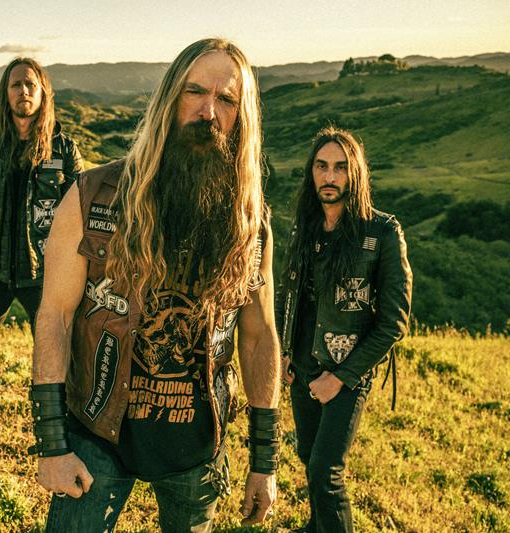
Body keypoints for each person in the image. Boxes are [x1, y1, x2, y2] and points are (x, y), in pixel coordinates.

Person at [29, 38, 281, 532]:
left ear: (243, 116)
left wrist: (265, 460)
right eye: (195, 92)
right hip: (97, 432)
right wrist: (52, 444)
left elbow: (259, 337)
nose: (209, 111)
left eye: (227, 99)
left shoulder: (251, 224)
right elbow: (55, 316)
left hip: (196, 448)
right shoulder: (92, 198)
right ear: (169, 99)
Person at [276, 127, 412, 532]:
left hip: (347, 371)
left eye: (339, 167)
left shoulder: (382, 232)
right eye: (321, 166)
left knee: (325, 472)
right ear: (311, 172)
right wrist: (283, 351)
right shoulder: (305, 226)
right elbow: (288, 293)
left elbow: (393, 322)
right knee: (308, 457)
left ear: (355, 173)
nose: (330, 176)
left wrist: (339, 378)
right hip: (302, 366)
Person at [0, 57, 83, 402]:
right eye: (16, 85)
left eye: (31, 85)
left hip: (44, 273)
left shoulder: (63, 149)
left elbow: (80, 215)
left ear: (43, 93)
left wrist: (69, 271)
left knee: (49, 343)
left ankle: (52, 402)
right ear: (6, 93)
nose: (24, 91)